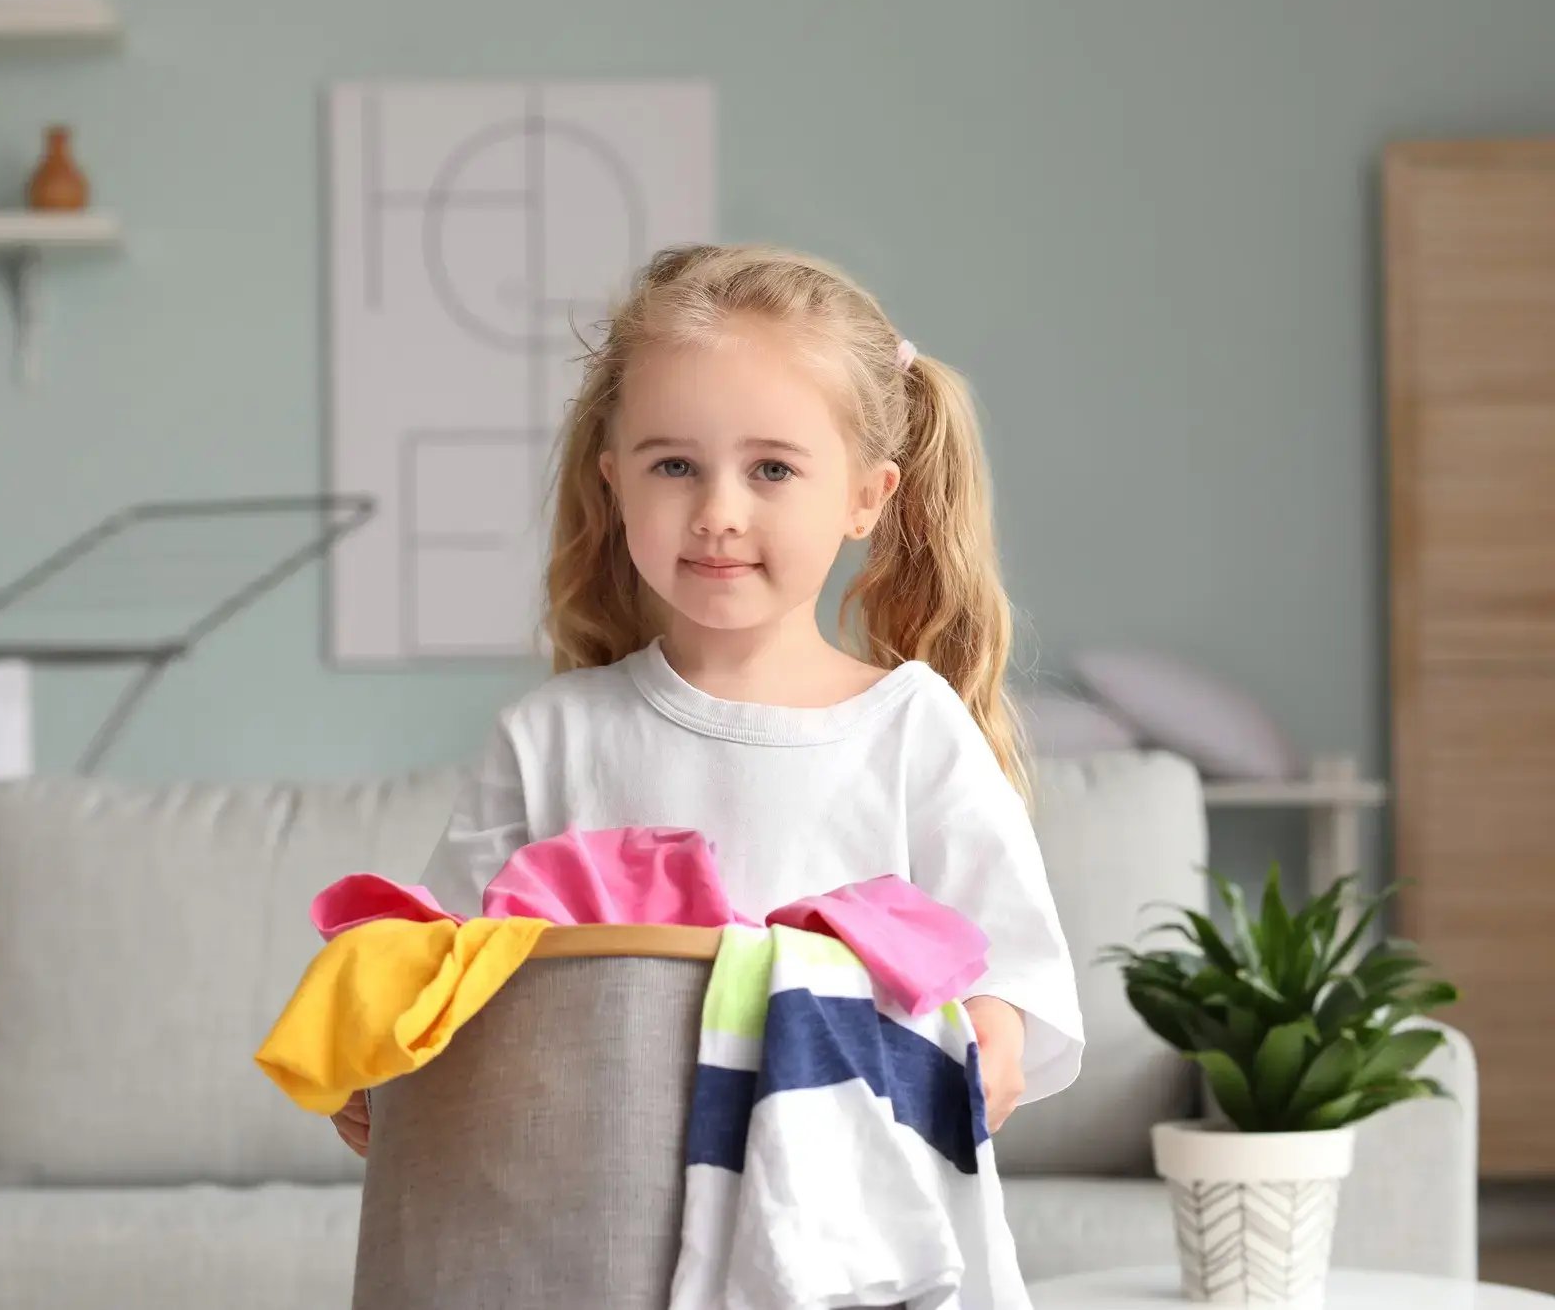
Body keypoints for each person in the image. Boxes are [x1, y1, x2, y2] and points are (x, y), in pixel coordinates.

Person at [334, 242, 1082, 1159]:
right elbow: (447, 973)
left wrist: (991, 1035)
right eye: (674, 466)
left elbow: (1013, 973)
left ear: (864, 497)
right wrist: (385, 1059)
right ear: (615, 482)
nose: (718, 510)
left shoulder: (911, 730)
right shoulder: (549, 738)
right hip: (605, 1213)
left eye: (771, 469)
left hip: (853, 1212)